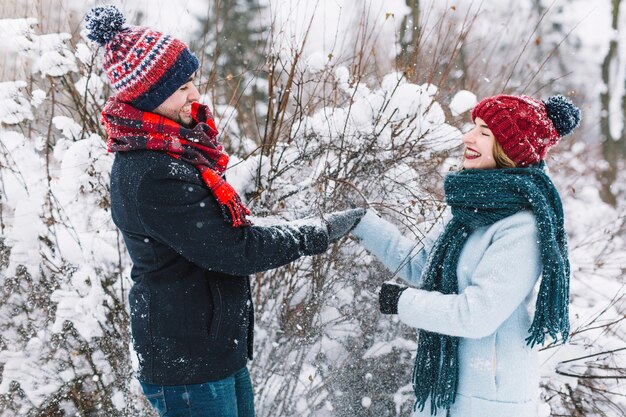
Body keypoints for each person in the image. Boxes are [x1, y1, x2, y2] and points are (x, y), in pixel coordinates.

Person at [84, 6, 364, 417]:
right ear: (149, 97)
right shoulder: (153, 172)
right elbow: (234, 248)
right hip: (188, 364)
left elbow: (222, 235)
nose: (195, 94)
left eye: (191, 81)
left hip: (213, 350)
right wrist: (314, 233)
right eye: (181, 88)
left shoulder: (174, 152)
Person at [351, 94, 581, 417]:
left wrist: (403, 302)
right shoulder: (469, 211)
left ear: (509, 152)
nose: (467, 137)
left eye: (484, 133)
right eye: (474, 127)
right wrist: (362, 223)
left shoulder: (523, 226)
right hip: (448, 389)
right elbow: (422, 266)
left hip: (490, 401)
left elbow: (477, 315)